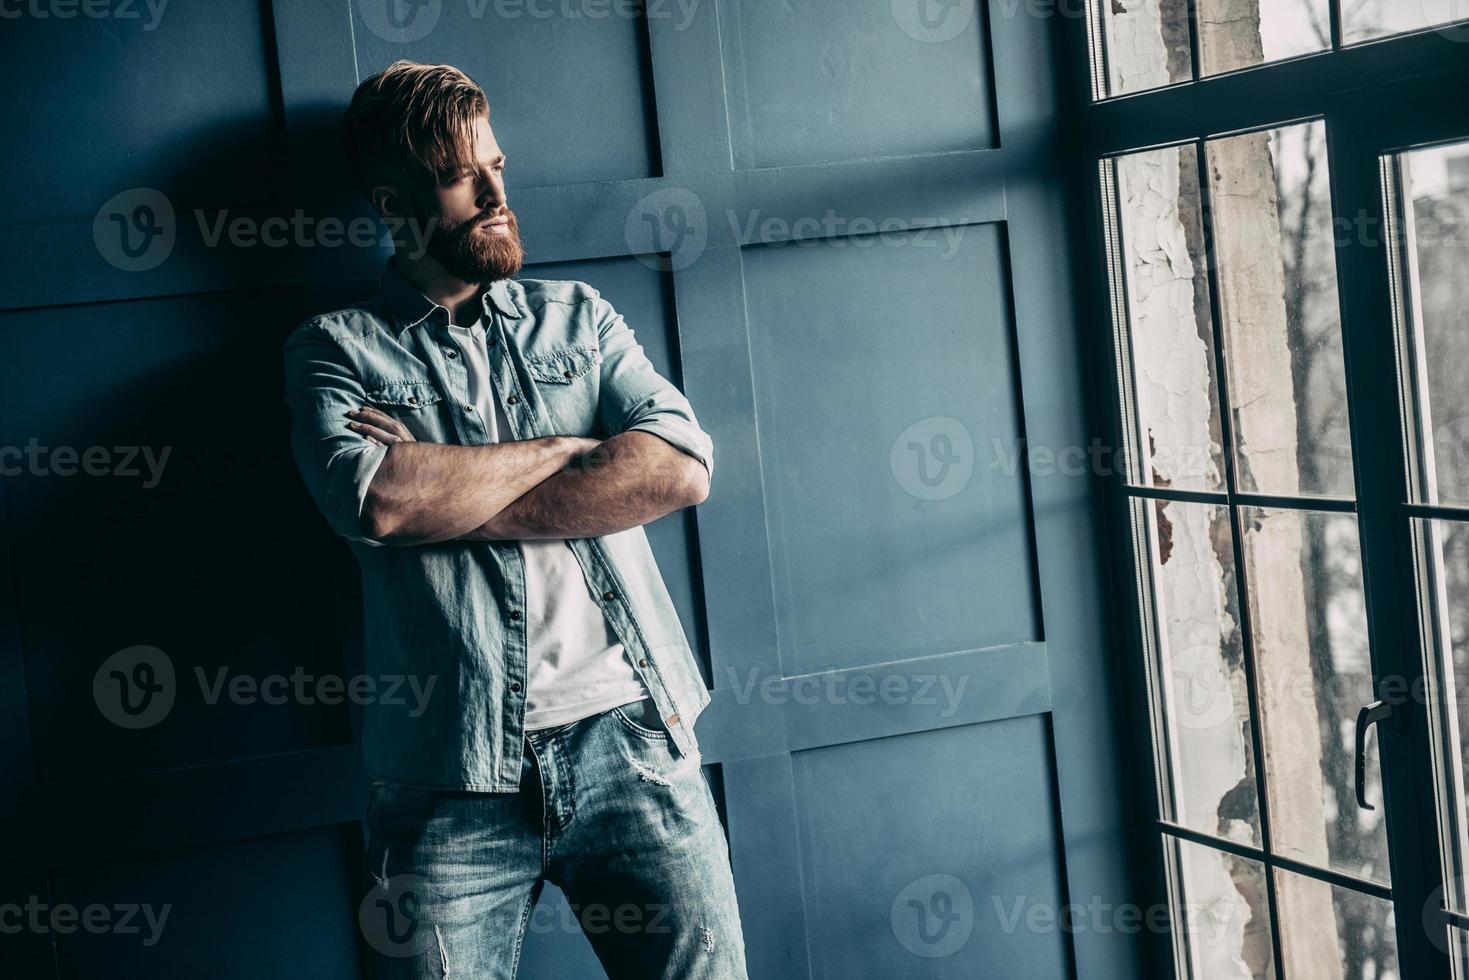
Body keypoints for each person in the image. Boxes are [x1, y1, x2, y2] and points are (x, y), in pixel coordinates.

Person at [283, 59, 748, 979]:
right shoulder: (333, 350)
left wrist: (447, 496)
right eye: (464, 176)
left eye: (498, 166)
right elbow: (376, 500)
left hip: (633, 739)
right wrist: (572, 447)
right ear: (393, 199)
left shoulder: (576, 319)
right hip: (446, 773)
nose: (499, 194)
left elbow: (683, 469)